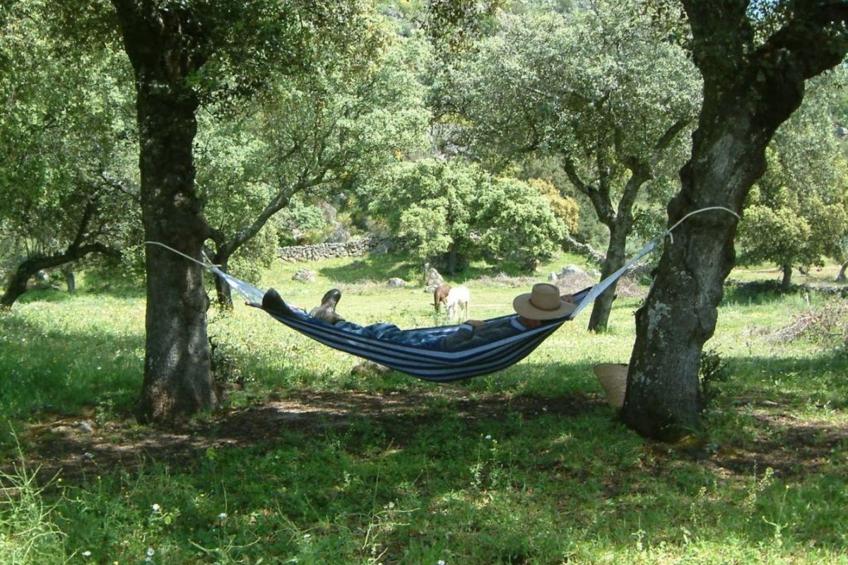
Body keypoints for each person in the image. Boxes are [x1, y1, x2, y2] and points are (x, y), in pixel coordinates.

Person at [261, 283, 576, 351]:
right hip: (434, 338)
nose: (538, 321)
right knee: (383, 331)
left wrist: (467, 327)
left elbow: (454, 348)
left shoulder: (512, 334)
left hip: (437, 350)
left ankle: (322, 318)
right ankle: (328, 318)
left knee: (384, 335)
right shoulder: (521, 325)